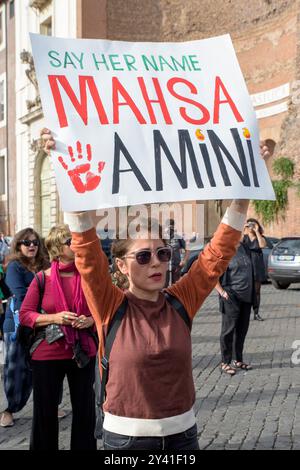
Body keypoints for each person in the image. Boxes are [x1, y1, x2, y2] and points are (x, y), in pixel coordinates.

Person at [41, 130, 269, 450]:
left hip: (183, 436)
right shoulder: (110, 306)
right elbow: (87, 253)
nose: (156, 264)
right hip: (127, 440)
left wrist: (246, 187)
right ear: (122, 266)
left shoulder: (181, 301)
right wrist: (63, 169)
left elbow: (218, 252)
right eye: (144, 256)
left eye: (163, 254)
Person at [19, 224, 97, 451]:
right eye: (69, 241)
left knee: (85, 410)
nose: (75, 244)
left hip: (82, 351)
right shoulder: (42, 279)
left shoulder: (89, 275)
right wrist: (55, 317)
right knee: (45, 411)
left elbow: (102, 308)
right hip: (48, 352)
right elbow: (25, 315)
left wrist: (90, 320)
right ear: (57, 248)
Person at [0, 228, 49, 428]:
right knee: (16, 370)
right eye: (27, 242)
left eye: (35, 242)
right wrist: (43, 296)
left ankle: (48, 407)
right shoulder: (15, 266)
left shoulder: (45, 265)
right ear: (18, 245)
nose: (32, 246)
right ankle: (9, 410)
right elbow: (19, 294)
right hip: (18, 325)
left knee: (43, 369)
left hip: (43, 323)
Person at [215, 237, 256, 376]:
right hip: (231, 296)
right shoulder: (224, 249)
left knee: (242, 330)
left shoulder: (244, 247)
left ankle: (238, 359)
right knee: (228, 331)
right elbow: (212, 274)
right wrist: (222, 292)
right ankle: (224, 362)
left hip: (246, 296)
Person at [243, 218, 267, 321]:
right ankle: (245, 313)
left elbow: (262, 245)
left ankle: (256, 313)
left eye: (253, 225)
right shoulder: (243, 238)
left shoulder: (259, 237)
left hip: (257, 266)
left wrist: (257, 231)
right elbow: (236, 243)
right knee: (246, 290)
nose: (251, 227)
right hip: (246, 267)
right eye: (249, 225)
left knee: (257, 291)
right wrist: (243, 228)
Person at [164, 219, 190, 286]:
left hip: (176, 267)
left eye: (172, 227)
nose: (170, 229)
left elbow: (187, 249)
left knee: (175, 287)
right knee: (163, 287)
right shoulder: (161, 237)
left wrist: (184, 261)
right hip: (164, 267)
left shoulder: (178, 237)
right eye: (168, 227)